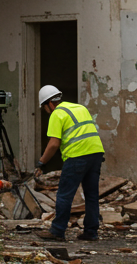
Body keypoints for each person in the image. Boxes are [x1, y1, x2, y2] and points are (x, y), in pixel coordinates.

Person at [34, 85, 105, 242]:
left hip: (77, 155)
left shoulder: (57, 114)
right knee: (91, 195)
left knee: (65, 194)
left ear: (49, 103)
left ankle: (57, 230)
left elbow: (53, 144)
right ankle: (91, 232)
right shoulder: (80, 108)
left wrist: (41, 163)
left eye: (44, 107)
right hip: (96, 153)